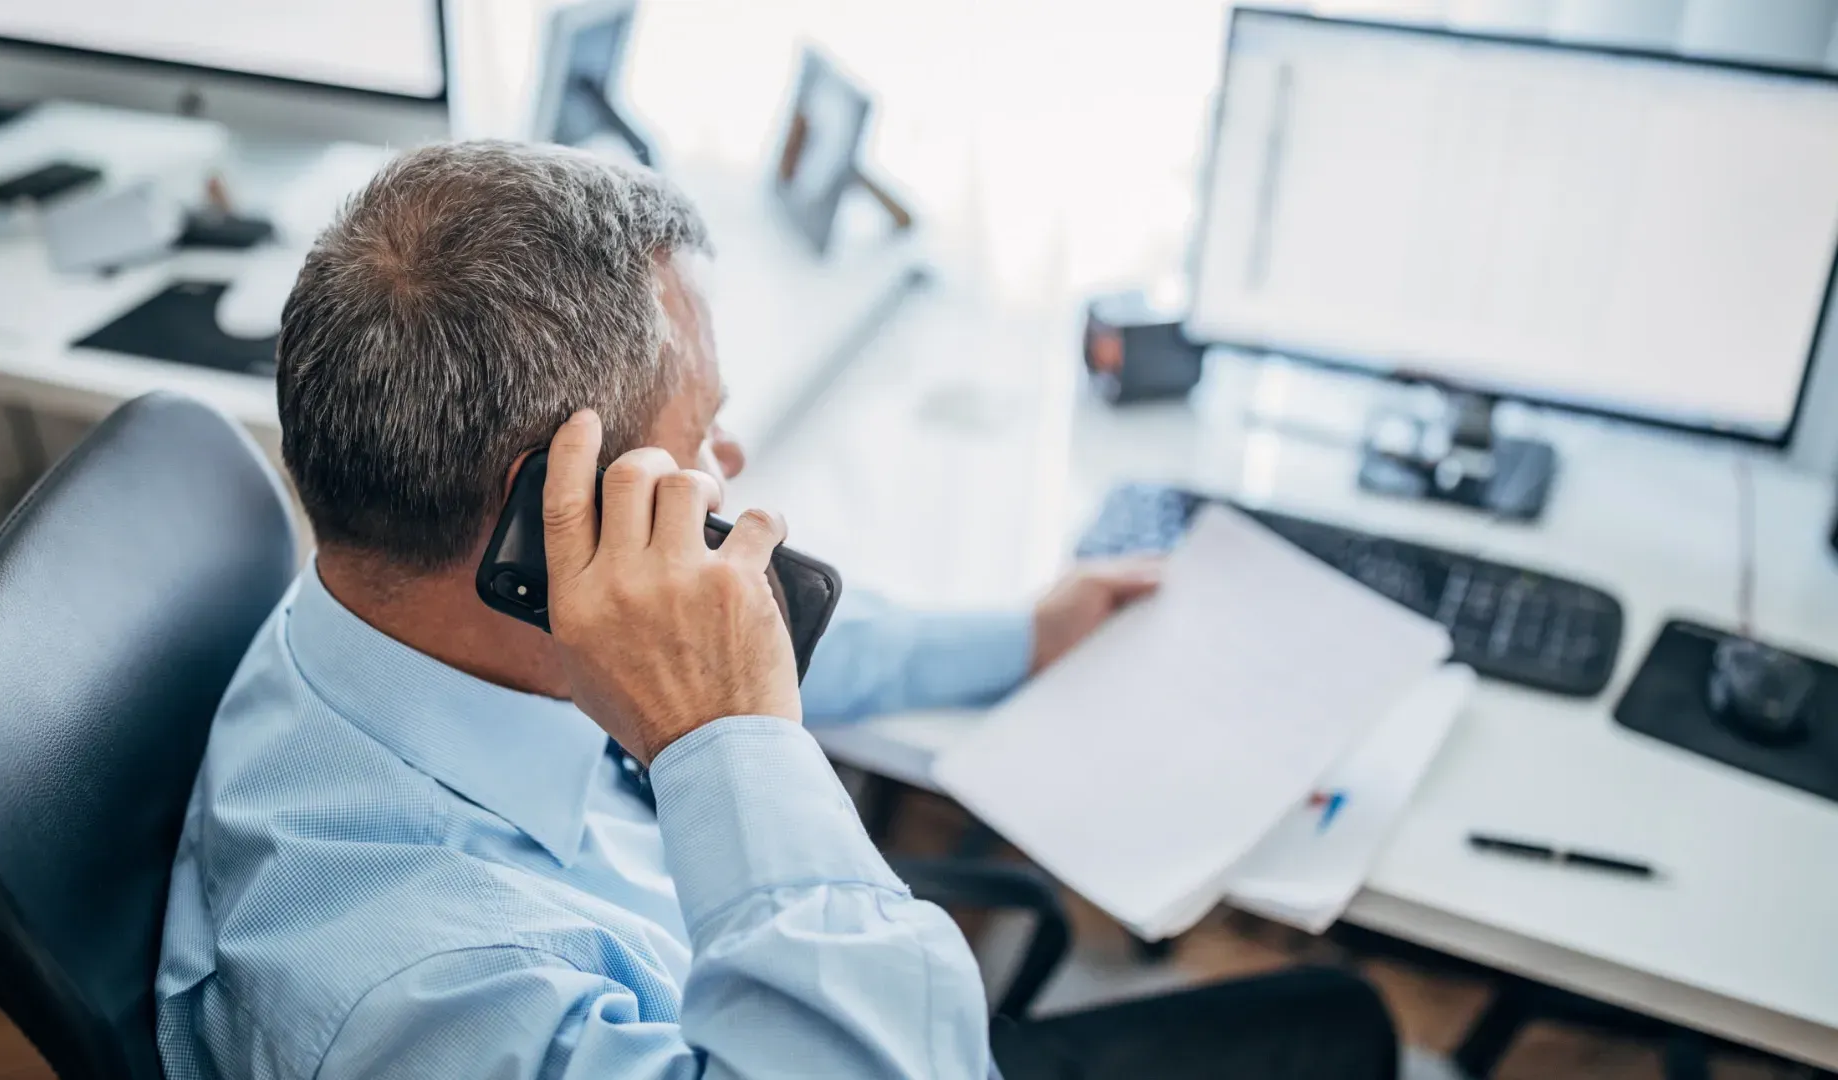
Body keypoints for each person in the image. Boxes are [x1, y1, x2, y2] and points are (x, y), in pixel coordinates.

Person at [155, 141, 1398, 1079]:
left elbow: (709, 619)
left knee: (1332, 1022)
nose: (730, 456)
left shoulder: (386, 602)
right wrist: (724, 744)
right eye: (699, 436)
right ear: (551, 520)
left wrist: (1019, 637)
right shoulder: (425, 1003)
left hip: (790, 990)